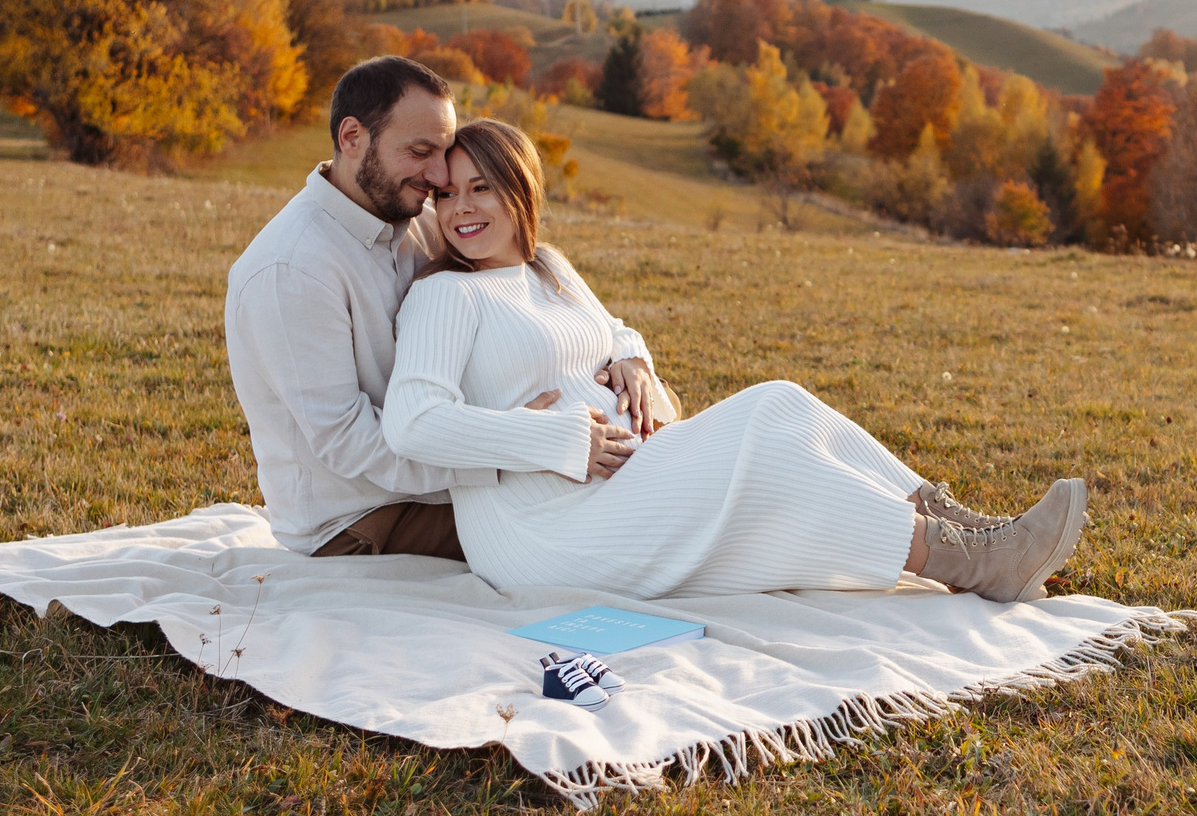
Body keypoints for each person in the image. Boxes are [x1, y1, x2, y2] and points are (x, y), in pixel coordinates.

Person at [383, 118, 1088, 603]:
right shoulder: (446, 296)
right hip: (543, 525)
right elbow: (411, 421)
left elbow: (613, 330)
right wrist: (557, 437)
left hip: (624, 482)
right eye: (446, 194)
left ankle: (971, 531)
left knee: (779, 401)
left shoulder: (549, 268)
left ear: (520, 190)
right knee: (772, 453)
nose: (461, 208)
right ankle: (969, 561)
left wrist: (635, 362)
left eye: (481, 187)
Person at [225, 56, 581, 560]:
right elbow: (349, 443)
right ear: (352, 138)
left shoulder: (418, 220)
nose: (438, 175)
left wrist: (625, 355)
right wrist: (509, 448)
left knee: (612, 483)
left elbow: (523, 281)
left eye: (443, 153)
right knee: (576, 521)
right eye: (420, 152)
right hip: (363, 520)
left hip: (454, 477)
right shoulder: (291, 270)